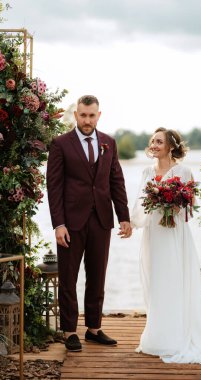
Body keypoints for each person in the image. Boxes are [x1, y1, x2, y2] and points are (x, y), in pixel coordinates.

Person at [131, 127, 201, 370]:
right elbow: (139, 204)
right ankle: (157, 336)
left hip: (174, 234)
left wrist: (172, 200)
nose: (154, 145)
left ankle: (176, 336)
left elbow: (189, 207)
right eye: (152, 141)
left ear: (170, 146)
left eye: (159, 141)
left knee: (175, 280)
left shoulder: (184, 171)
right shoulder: (147, 171)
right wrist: (132, 224)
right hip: (153, 234)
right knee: (157, 282)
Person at [47, 95, 132, 352]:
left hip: (101, 219)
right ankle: (70, 331)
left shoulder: (109, 142)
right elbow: (54, 186)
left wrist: (124, 217)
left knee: (98, 275)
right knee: (69, 277)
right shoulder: (61, 144)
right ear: (76, 115)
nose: (87, 120)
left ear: (98, 115)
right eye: (83, 115)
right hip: (71, 222)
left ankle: (94, 328)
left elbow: (116, 180)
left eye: (91, 115)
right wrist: (58, 224)